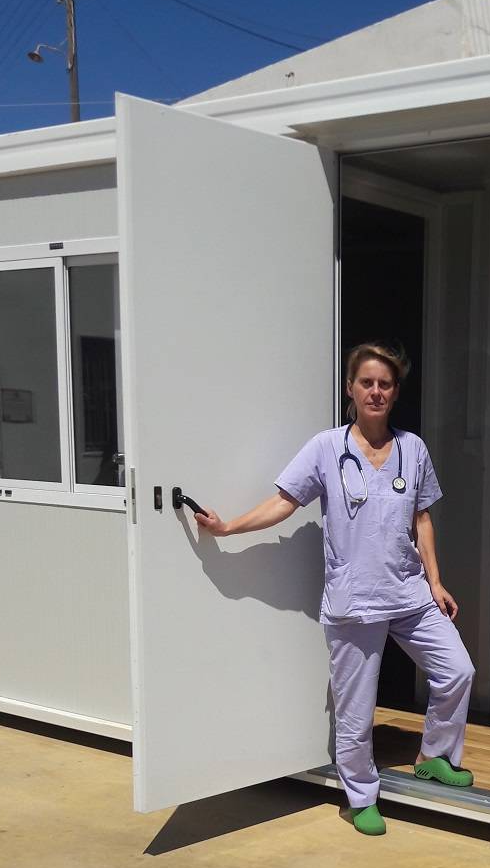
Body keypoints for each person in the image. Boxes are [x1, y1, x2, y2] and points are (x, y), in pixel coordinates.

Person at [193, 343, 475, 837]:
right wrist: (229, 527)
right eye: (367, 382)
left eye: (385, 384)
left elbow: (423, 518)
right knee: (355, 710)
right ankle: (360, 795)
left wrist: (434, 580)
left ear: (395, 392)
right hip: (355, 601)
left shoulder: (413, 449)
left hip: (409, 592)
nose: (376, 391)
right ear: (351, 388)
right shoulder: (326, 448)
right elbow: (284, 502)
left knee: (457, 671)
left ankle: (434, 755)